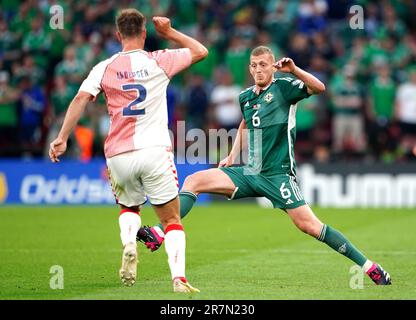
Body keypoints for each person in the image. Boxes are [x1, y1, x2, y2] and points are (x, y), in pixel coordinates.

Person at [137, 46, 392, 286]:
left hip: (279, 175)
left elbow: (320, 87)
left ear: (272, 67)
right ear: (249, 69)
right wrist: (231, 155)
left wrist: (294, 69)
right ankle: (160, 232)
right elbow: (245, 124)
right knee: (194, 181)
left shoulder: (284, 88)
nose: (258, 69)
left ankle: (370, 266)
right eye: (254, 65)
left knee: (310, 226)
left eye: (263, 65)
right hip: (250, 171)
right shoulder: (245, 97)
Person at [48, 9, 208, 293]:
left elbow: (80, 98)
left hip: (118, 154)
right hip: (155, 151)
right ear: (144, 33)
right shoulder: (159, 60)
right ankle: (179, 280)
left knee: (129, 206)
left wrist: (62, 137)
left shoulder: (104, 67)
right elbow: (200, 51)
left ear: (118, 35)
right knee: (171, 219)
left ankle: (129, 242)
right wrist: (169, 33)